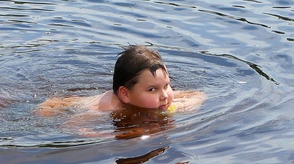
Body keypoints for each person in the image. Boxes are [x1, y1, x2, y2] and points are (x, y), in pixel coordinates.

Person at [36, 45, 206, 117]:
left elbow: (197, 94)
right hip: (54, 107)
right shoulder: (111, 108)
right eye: (152, 89)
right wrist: (104, 136)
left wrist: (191, 103)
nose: (165, 96)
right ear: (125, 94)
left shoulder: (161, 97)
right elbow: (72, 124)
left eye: (166, 86)